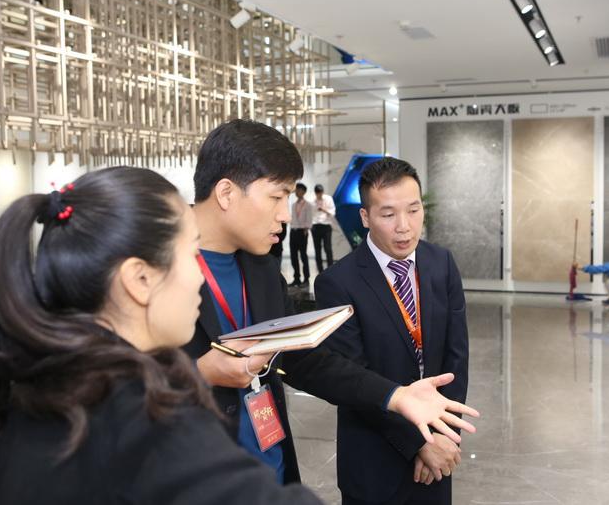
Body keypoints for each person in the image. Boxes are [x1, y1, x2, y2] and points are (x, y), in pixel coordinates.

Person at [0, 167, 324, 503]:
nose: (199, 276)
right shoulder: (151, 420)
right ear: (139, 279)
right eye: (191, 254)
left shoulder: (39, 391)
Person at [183, 119, 479, 486]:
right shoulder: (147, 267)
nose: (285, 214)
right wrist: (198, 374)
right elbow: (116, 392)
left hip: (270, 479)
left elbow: (304, 361)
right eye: (276, 197)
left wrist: (395, 396)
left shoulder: (262, 270)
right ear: (227, 193)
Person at [316, 157, 469, 505]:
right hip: (374, 460)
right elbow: (353, 378)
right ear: (365, 217)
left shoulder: (441, 264)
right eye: (388, 214)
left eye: (413, 210)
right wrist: (419, 444)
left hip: (438, 455)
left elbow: (456, 358)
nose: (404, 226)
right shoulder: (337, 283)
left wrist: (444, 436)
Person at [289, 182, 313, 286]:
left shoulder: (308, 205)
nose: (297, 192)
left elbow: (309, 219)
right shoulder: (293, 205)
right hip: (293, 231)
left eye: (299, 190)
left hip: (302, 232)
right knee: (293, 256)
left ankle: (306, 279)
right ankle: (296, 278)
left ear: (303, 192)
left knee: (303, 256)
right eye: (296, 190)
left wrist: (306, 229)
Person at [311, 184, 336, 273]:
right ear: (315, 193)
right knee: (317, 249)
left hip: (326, 226)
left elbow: (333, 213)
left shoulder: (328, 199)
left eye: (321, 193)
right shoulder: (312, 201)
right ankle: (320, 271)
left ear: (323, 192)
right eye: (318, 193)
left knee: (328, 248)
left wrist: (324, 210)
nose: (319, 195)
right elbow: (311, 215)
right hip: (315, 226)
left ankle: (331, 270)